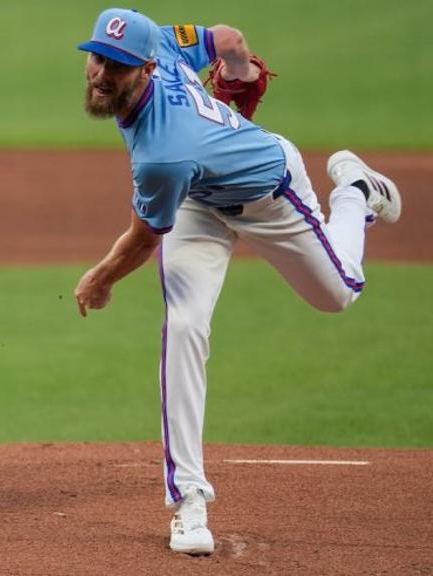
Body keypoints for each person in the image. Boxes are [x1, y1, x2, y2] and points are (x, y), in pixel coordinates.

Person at [72, 8, 401, 555]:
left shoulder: (162, 155)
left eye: (119, 66)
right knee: (184, 327)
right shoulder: (167, 48)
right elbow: (228, 38)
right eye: (98, 58)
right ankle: (190, 502)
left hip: (271, 196)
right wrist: (242, 76)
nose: (103, 74)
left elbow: (141, 240)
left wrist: (100, 280)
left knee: (338, 294)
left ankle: (355, 192)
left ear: (148, 68)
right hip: (199, 205)